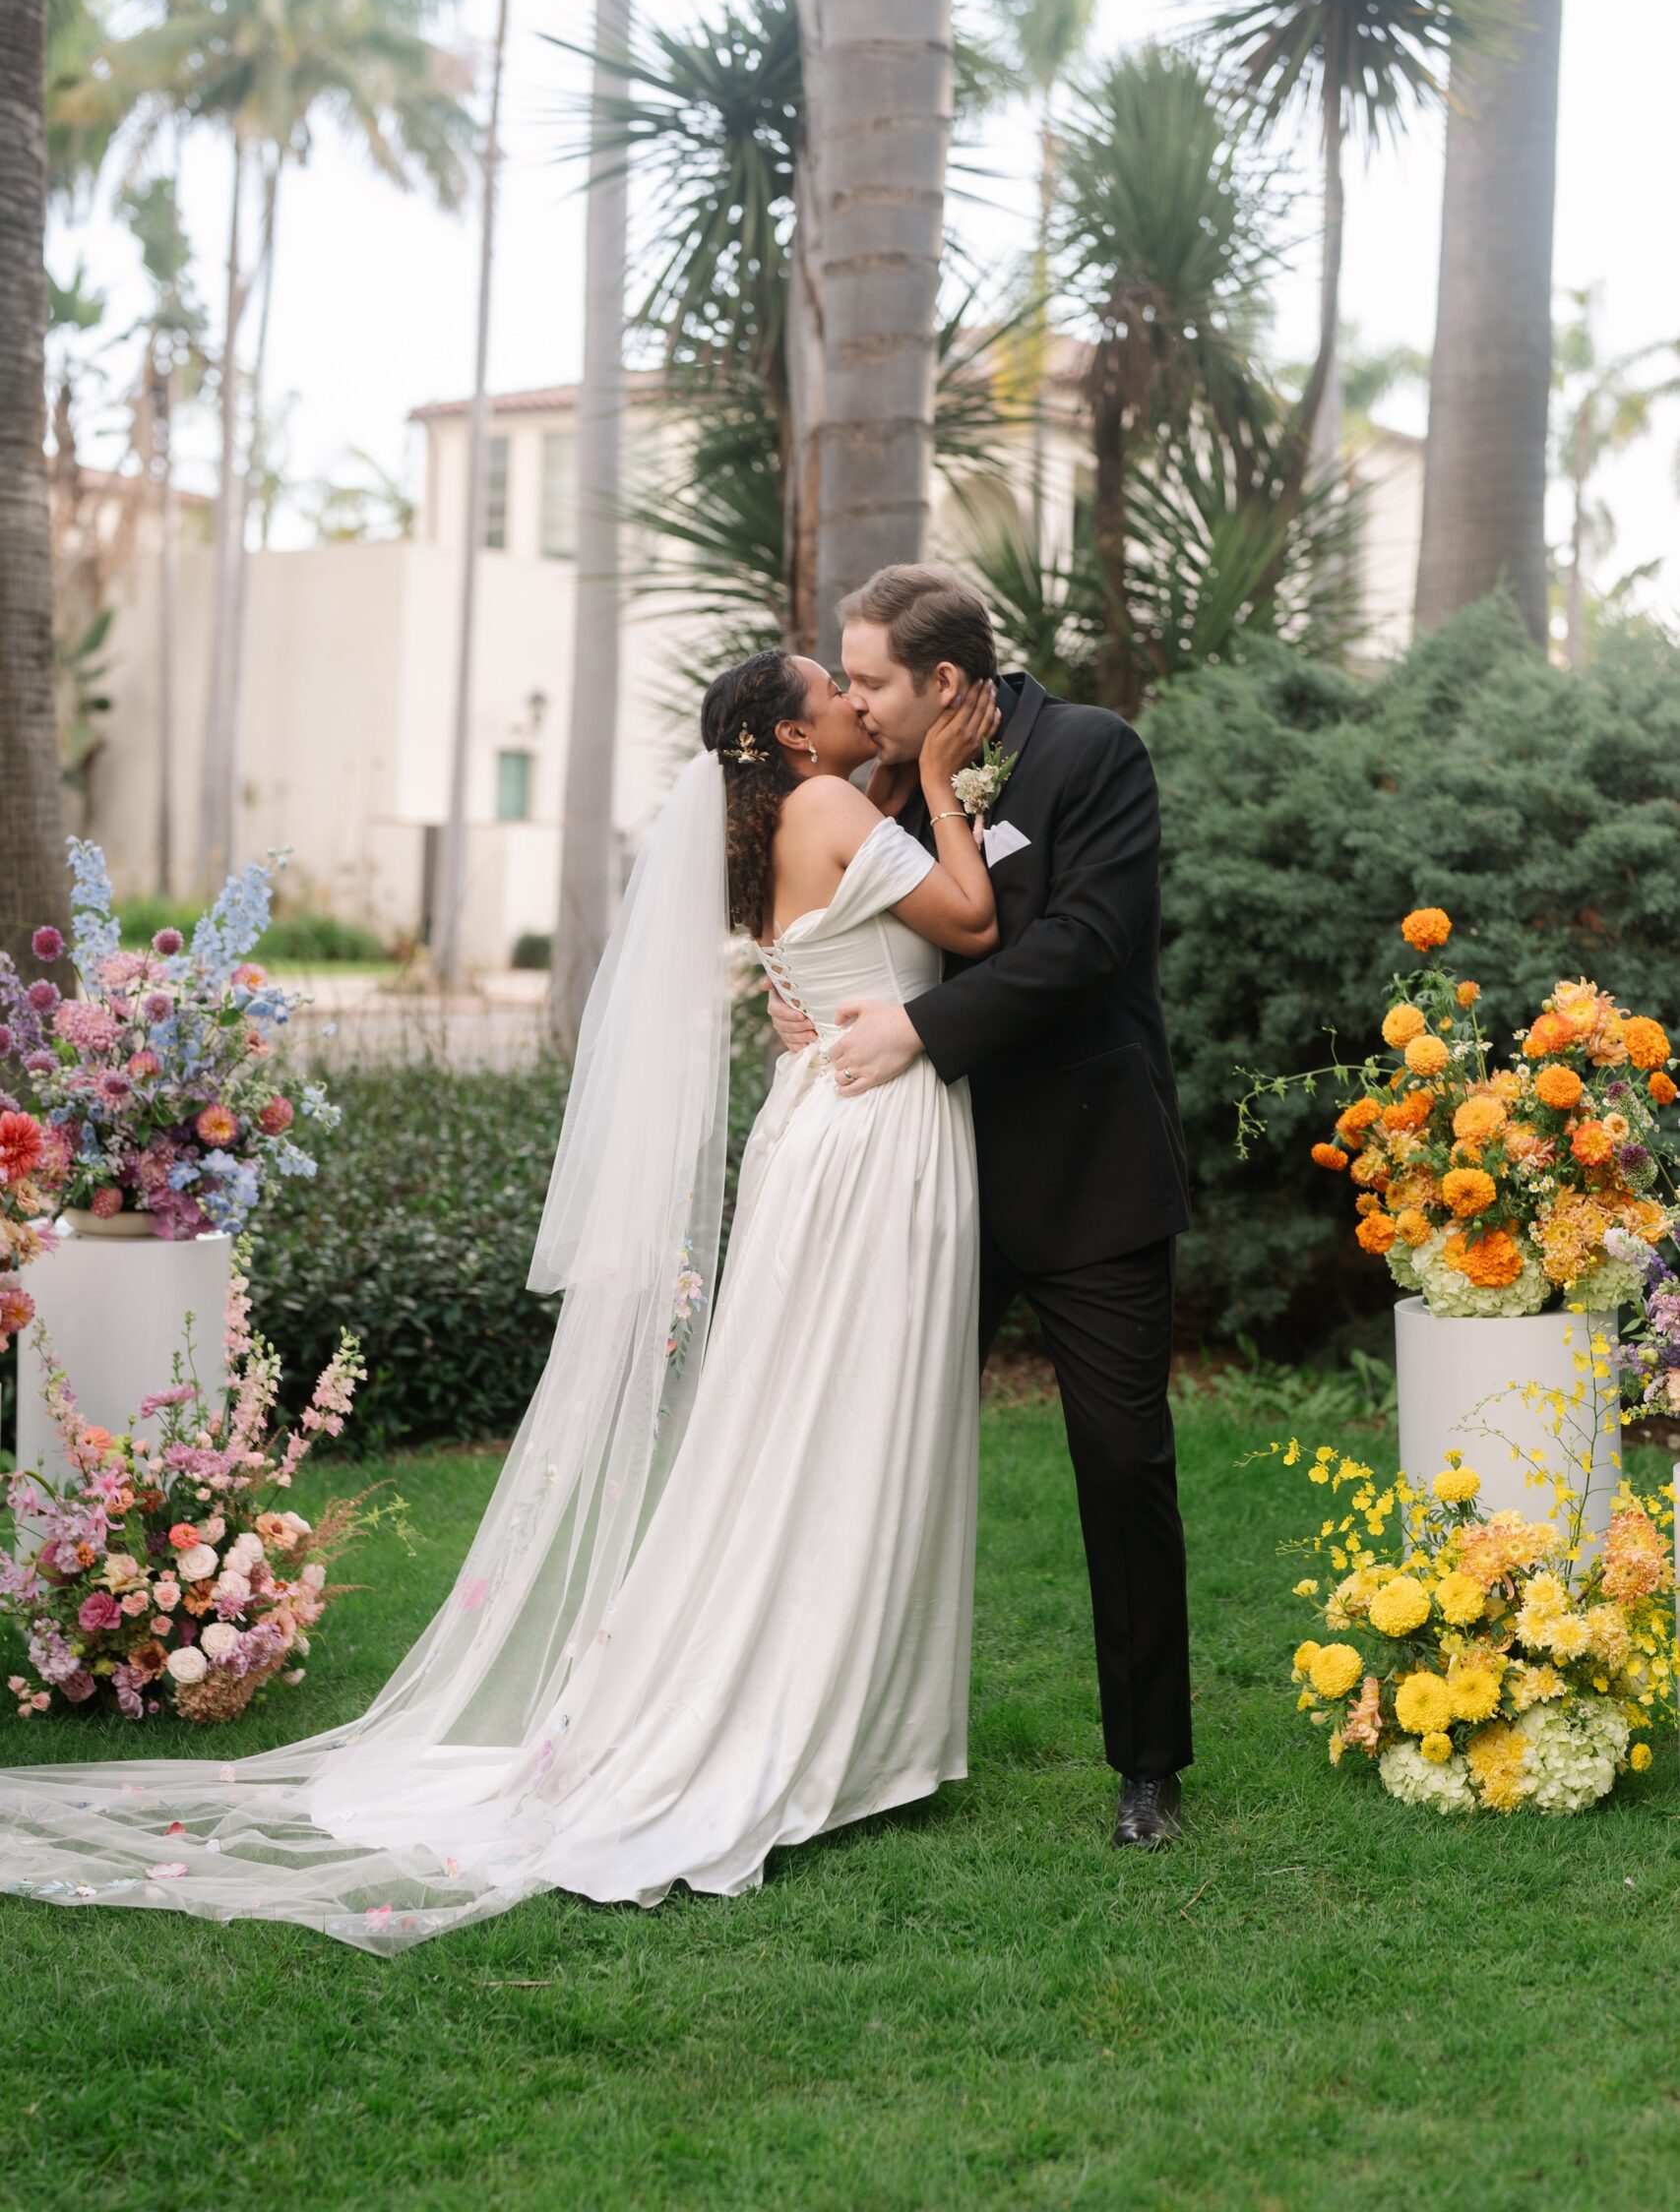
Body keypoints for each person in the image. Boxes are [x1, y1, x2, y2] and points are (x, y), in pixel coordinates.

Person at [0, 648, 1005, 1952]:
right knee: (839, 1418)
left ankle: (828, 1697)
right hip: (872, 1141)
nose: (852, 699)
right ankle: (807, 1709)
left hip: (825, 1126)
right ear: (790, 737)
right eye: (830, 687)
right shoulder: (835, 807)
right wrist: (938, 777)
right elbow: (974, 927)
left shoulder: (776, 828)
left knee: (803, 1423)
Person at [769, 566, 1194, 1850]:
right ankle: (834, 1737)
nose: (854, 701)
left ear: (948, 682)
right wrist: (797, 992)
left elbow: (1085, 941)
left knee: (1122, 1461)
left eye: (874, 681)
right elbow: (842, 919)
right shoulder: (882, 781)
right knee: (857, 1439)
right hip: (917, 1182)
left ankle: (1149, 1768)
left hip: (1087, 1172)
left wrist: (920, 1028)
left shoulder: (1094, 755)